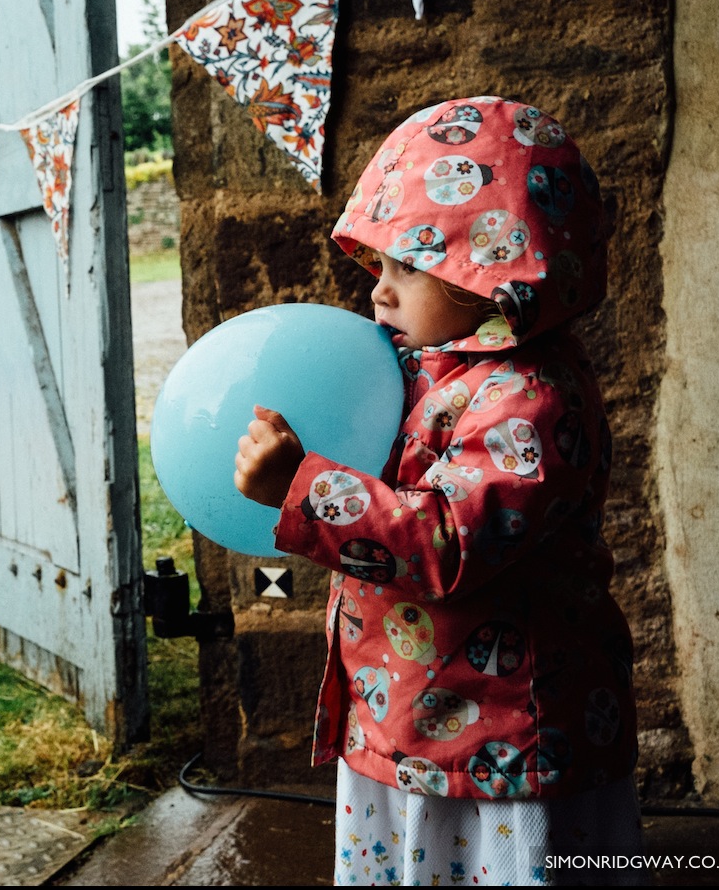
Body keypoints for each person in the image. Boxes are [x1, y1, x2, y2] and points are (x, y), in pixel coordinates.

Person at [234, 96, 643, 886]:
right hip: (413, 715)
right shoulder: (429, 369)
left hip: (504, 743)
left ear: (492, 274)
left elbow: (448, 539)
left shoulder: (530, 398)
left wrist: (306, 487)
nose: (378, 293)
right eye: (381, 265)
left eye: (408, 267)